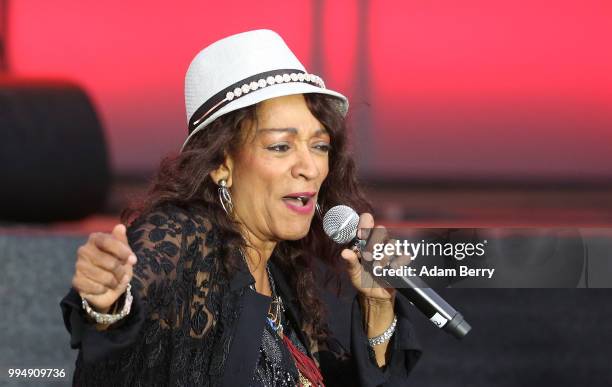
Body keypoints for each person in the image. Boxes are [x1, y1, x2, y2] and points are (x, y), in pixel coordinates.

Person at [60, 29, 421, 386]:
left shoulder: (282, 271)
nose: (309, 168)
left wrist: (377, 305)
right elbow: (129, 310)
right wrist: (107, 308)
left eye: (320, 146)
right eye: (280, 147)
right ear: (222, 163)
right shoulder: (185, 235)